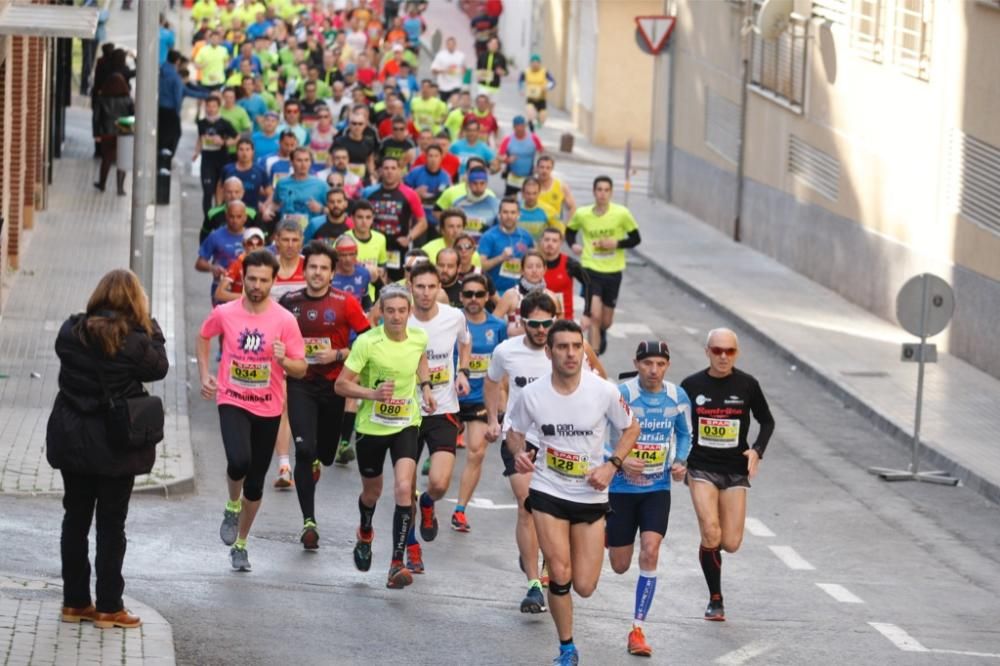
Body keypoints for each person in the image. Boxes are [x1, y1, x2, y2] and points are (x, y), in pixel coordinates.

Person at [505, 320, 640, 666]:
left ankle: (561, 564)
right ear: (549, 352)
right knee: (561, 574)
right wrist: (519, 452)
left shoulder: (603, 391)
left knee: (585, 585)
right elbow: (514, 432)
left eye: (576, 347)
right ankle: (567, 648)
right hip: (548, 489)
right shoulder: (532, 393)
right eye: (562, 347)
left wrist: (612, 465)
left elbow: (631, 427)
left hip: (591, 496)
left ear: (583, 350)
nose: (570, 353)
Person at [47, 270, 168, 630]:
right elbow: (159, 368)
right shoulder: (135, 342)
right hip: (116, 444)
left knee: (75, 519)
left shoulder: (71, 332)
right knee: (111, 526)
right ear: (134, 302)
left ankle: (74, 602)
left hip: (73, 438)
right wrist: (152, 327)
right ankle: (109, 607)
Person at [197, 250, 307, 572]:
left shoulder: (285, 320)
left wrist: (285, 360)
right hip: (232, 398)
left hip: (268, 407)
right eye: (252, 278)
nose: (256, 285)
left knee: (256, 484)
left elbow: (301, 368)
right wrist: (205, 374)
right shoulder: (225, 312)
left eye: (263, 280)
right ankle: (232, 505)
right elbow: (203, 336)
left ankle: (241, 544)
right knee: (238, 460)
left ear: (274, 282)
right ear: (242, 278)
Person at [335, 285, 437, 589]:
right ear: (381, 311)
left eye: (401, 311)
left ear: (409, 312)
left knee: (405, 488)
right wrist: (372, 393)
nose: (396, 316)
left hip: (406, 423)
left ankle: (396, 563)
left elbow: (419, 358)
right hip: (371, 427)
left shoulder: (418, 337)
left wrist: (427, 386)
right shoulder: (367, 342)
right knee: (373, 493)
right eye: (390, 311)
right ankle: (365, 531)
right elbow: (341, 385)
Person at [680, 328, 775, 621]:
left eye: (729, 351)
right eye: (717, 350)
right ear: (707, 351)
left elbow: (767, 421)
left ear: (737, 353)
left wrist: (757, 450)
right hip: (701, 467)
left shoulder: (747, 385)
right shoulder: (691, 385)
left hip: (734, 470)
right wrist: (678, 458)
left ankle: (711, 549)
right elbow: (677, 424)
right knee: (711, 529)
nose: (723, 356)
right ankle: (715, 599)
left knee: (730, 542)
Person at [280, 242, 371, 549]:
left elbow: (368, 338)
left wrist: (339, 353)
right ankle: (309, 522)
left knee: (327, 455)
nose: (317, 273)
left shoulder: (345, 302)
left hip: (334, 386)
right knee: (304, 451)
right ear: (305, 270)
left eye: (323, 268)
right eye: (312, 267)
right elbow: (273, 332)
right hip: (301, 383)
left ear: (332, 273)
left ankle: (320, 459)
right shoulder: (289, 301)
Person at [607, 340, 692, 657]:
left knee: (651, 550)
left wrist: (680, 460)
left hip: (657, 489)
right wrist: (619, 459)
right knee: (618, 565)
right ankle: (603, 534)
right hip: (620, 488)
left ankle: (638, 630)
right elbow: (598, 436)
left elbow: (684, 432)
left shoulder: (676, 396)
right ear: (636, 363)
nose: (653, 370)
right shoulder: (623, 395)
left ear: (667, 365)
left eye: (660, 364)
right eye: (647, 364)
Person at [484, 291, 559, 615]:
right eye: (535, 324)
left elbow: (595, 378)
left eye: (547, 323)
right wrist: (492, 420)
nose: (541, 330)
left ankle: (537, 558)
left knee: (549, 512)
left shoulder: (568, 349)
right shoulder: (506, 350)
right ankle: (532, 585)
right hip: (518, 436)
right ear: (522, 321)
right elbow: (491, 382)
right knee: (527, 504)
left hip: (559, 442)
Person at [403, 263, 471, 573]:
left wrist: (463, 371)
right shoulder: (399, 318)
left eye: (432, 287)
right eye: (420, 287)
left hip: (443, 408)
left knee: (440, 483)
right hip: (406, 411)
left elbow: (465, 342)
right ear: (411, 286)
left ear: (439, 288)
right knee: (404, 488)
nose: (426, 293)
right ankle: (411, 547)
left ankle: (428, 503)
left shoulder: (453, 317)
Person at [451, 273, 507, 532]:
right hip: (447, 397)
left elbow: (502, 369)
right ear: (461, 297)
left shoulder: (497, 327)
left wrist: (502, 403)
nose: (474, 299)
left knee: (477, 452)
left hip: (479, 400)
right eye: (468, 294)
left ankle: (460, 510)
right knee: (439, 456)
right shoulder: (451, 322)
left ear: (487, 297)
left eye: (479, 294)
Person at [567, 176, 641, 355]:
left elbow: (636, 239)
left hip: (613, 271)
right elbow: (570, 231)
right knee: (594, 316)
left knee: (605, 321)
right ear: (594, 192)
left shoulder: (621, 213)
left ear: (611, 192)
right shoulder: (583, 214)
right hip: (590, 269)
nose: (602, 194)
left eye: (606, 190)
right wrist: (573, 245)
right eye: (599, 190)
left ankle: (602, 332)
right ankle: (594, 358)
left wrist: (616, 244)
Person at [362, 156, 427, 282]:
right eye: (386, 168)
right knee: (373, 280)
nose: (389, 171)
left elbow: (422, 222)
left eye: (393, 168)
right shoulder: (368, 192)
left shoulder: (410, 194)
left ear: (399, 171)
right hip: (373, 244)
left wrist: (409, 238)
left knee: (398, 282)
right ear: (380, 171)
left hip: (398, 247)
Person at [493, 250, 561, 336]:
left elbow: (559, 328)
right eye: (529, 267)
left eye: (538, 266)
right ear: (522, 270)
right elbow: (494, 323)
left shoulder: (552, 297)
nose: (534, 270)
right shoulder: (511, 295)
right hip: (515, 346)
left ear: (545, 269)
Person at [196, 200, 250, 306]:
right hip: (222, 288)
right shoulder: (215, 236)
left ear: (245, 217)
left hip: (244, 289)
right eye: (231, 216)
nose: (235, 220)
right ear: (226, 216)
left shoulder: (253, 238)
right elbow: (199, 263)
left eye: (239, 217)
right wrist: (213, 268)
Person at [477, 197, 535, 296]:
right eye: (505, 212)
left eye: (513, 212)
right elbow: (480, 266)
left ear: (518, 215)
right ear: (499, 214)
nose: (509, 216)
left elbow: (535, 261)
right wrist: (501, 258)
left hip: (521, 292)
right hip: (495, 293)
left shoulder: (526, 236)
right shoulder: (489, 236)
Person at [195, 95, 239, 215]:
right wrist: (196, 152)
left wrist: (224, 142)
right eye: (208, 106)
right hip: (207, 161)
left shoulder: (224, 123)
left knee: (221, 191)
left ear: (218, 107)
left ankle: (219, 216)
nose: (211, 109)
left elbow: (237, 137)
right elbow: (200, 138)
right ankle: (208, 219)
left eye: (214, 106)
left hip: (222, 160)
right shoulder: (201, 123)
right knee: (208, 191)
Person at [92, 74, 134, 196]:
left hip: (107, 132)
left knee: (107, 159)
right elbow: (133, 115)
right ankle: (120, 188)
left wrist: (96, 134)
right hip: (124, 130)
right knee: (122, 159)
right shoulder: (127, 99)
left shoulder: (102, 99)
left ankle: (102, 184)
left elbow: (96, 118)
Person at [272, 148, 329, 229]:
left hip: (311, 232)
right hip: (286, 230)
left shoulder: (321, 185)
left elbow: (336, 212)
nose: (303, 164)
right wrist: (268, 210)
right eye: (299, 160)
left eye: (306, 160)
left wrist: (321, 209)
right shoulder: (282, 183)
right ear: (291, 162)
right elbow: (275, 203)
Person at [539, 227, 588, 322]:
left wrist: (587, 313)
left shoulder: (570, 264)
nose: (550, 243)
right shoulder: (533, 263)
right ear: (541, 242)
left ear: (560, 243)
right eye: (547, 240)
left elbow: (589, 284)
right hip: (539, 320)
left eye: (554, 241)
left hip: (565, 320)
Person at [218, 139, 269, 211]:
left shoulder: (260, 171)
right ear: (236, 151)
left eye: (247, 149)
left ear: (252, 152)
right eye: (241, 149)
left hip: (252, 213)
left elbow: (270, 193)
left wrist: (265, 207)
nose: (244, 153)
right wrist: (219, 205)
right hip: (230, 213)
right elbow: (220, 188)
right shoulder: (227, 169)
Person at [498, 116, 543, 196]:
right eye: (517, 127)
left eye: (522, 126)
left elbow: (542, 152)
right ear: (513, 127)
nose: (519, 129)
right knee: (510, 201)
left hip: (528, 176)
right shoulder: (508, 139)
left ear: (525, 126)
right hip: (513, 177)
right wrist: (507, 160)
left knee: (527, 200)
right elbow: (499, 156)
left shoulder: (533, 138)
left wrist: (538, 166)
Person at [451, 168, 499, 242]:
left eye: (482, 183)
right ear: (469, 184)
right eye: (475, 183)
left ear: (486, 184)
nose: (478, 187)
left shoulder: (496, 204)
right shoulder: (457, 204)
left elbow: (500, 231)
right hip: (463, 248)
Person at [535, 154, 577, 226]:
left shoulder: (561, 186)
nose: (544, 170)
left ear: (552, 169)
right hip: (534, 229)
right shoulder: (531, 185)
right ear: (537, 168)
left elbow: (572, 207)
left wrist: (566, 227)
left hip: (553, 231)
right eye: (542, 167)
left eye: (548, 168)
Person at [519, 54, 555, 127]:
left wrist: (547, 87)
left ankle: (539, 119)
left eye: (536, 62)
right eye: (533, 62)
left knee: (542, 120)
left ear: (539, 63)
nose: (535, 64)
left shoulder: (545, 72)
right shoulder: (526, 72)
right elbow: (521, 81)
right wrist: (521, 89)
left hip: (541, 98)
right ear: (531, 63)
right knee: (530, 114)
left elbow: (553, 82)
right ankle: (530, 124)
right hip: (531, 98)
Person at [518, 177, 556, 242]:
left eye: (534, 193)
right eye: (528, 193)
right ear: (522, 193)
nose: (531, 197)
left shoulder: (549, 210)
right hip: (517, 250)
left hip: (540, 250)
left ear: (539, 193)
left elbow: (560, 234)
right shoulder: (513, 209)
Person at [431, 37, 466, 103]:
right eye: (449, 44)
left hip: (456, 84)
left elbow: (464, 68)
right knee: (443, 105)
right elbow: (433, 70)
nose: (451, 46)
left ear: (455, 45)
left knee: (455, 101)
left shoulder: (461, 55)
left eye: (452, 44)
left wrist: (463, 71)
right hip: (443, 85)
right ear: (446, 45)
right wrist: (444, 71)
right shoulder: (440, 55)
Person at [475, 36, 507, 101]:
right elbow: (478, 68)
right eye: (492, 43)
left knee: (492, 106)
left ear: (498, 46)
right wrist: (478, 76)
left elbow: (506, 72)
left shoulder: (501, 57)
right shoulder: (482, 56)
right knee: (482, 103)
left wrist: (502, 72)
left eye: (496, 44)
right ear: (488, 44)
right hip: (483, 85)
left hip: (494, 86)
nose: (494, 45)